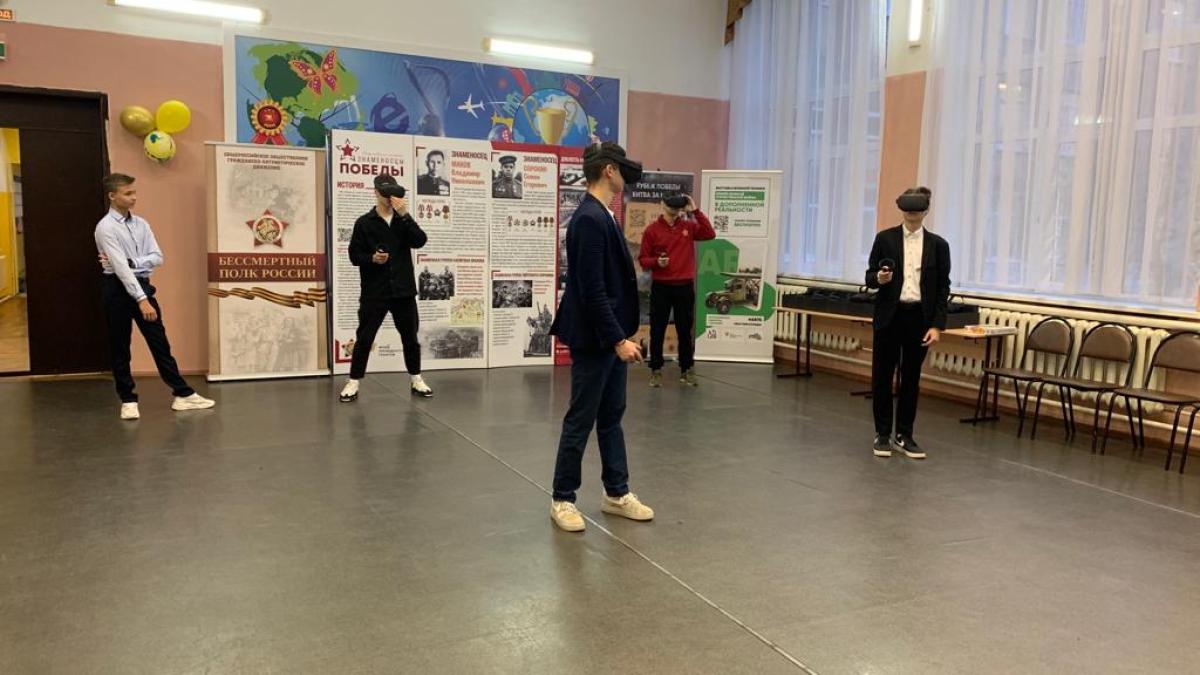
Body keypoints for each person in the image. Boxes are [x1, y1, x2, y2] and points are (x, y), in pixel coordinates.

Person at [547, 141, 653, 532]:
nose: (625, 175)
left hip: (609, 338)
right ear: (609, 170)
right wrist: (617, 340)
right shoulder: (590, 219)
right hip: (596, 340)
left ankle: (616, 493)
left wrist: (620, 336)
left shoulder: (602, 214)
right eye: (621, 168)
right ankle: (562, 498)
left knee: (610, 417)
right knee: (582, 418)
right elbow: (592, 291)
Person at [94, 173, 215, 420]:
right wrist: (141, 299)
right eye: (128, 193)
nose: (134, 197)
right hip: (117, 290)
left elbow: (157, 257)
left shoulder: (142, 224)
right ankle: (128, 400)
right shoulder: (105, 228)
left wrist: (132, 262)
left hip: (141, 284)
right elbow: (120, 270)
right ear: (112, 195)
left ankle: (182, 394)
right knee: (120, 347)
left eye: (134, 192)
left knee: (159, 343)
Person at [864, 187, 951, 460]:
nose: (912, 214)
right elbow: (869, 277)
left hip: (919, 319)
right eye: (908, 209)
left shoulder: (939, 245)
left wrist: (937, 325)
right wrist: (879, 278)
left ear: (925, 211)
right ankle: (882, 433)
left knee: (911, 379)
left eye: (917, 209)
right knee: (882, 377)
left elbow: (942, 288)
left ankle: (904, 434)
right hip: (889, 317)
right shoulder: (885, 238)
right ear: (902, 209)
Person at [340, 174, 433, 402]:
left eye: (393, 194)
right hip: (375, 291)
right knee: (364, 338)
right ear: (375, 193)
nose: (390, 198)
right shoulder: (364, 223)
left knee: (410, 338)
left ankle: (416, 379)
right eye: (385, 194)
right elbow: (354, 256)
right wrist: (372, 258)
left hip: (403, 291)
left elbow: (420, 240)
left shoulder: (402, 221)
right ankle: (353, 381)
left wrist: (405, 215)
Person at [637, 192, 716, 387]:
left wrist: (695, 210)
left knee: (684, 330)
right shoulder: (652, 230)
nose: (674, 210)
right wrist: (657, 262)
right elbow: (643, 260)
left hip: (684, 287)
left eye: (677, 207)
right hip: (661, 287)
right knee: (657, 330)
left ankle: (687, 369)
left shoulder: (688, 226)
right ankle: (656, 370)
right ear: (662, 204)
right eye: (671, 206)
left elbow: (709, 234)